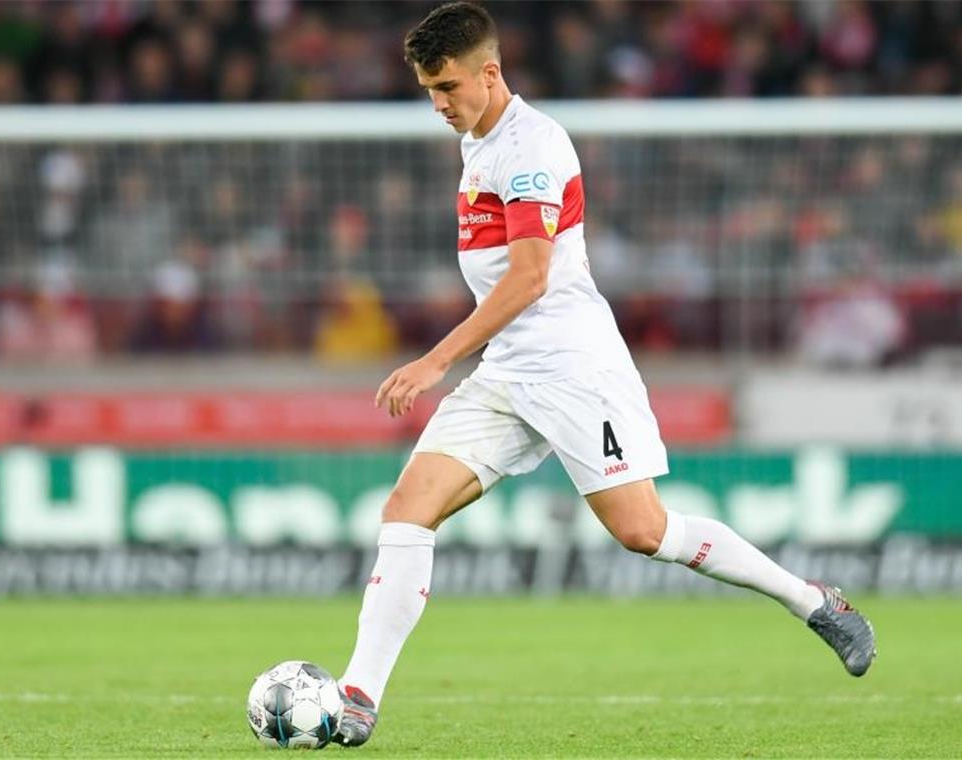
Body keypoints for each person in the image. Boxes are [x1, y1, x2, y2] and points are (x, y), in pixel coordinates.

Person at [334, 2, 877, 748]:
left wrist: (434, 360)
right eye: (430, 90)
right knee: (406, 509)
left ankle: (813, 601)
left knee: (643, 530)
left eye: (449, 87)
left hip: (572, 367)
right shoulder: (478, 140)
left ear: (490, 73)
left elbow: (529, 279)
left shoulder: (531, 148)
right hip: (509, 368)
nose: (439, 104)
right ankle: (358, 697)